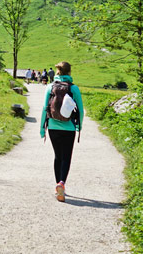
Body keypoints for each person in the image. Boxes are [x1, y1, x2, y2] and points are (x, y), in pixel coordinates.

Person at [40, 61, 83, 202]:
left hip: (52, 127)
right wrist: (79, 126)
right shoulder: (74, 88)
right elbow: (81, 110)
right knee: (66, 157)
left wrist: (42, 129)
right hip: (68, 128)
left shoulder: (50, 87)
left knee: (57, 156)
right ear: (69, 72)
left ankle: (57, 184)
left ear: (57, 72)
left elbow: (45, 108)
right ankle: (62, 183)